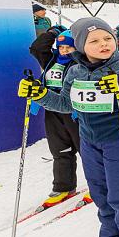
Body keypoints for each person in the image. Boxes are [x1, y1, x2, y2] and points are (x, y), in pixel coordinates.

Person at [18, 17, 119, 237]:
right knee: (100, 192)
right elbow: (66, 104)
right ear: (81, 45)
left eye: (107, 38)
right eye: (94, 41)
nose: (103, 44)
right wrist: (40, 95)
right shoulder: (75, 71)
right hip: (90, 139)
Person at [29, 26, 83, 206]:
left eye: (69, 47)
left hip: (75, 111)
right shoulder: (50, 59)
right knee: (59, 149)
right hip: (52, 110)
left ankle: (100, 185)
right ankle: (63, 186)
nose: (65, 51)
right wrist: (52, 34)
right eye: (61, 47)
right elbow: (36, 48)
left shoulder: (79, 63)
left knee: (86, 149)